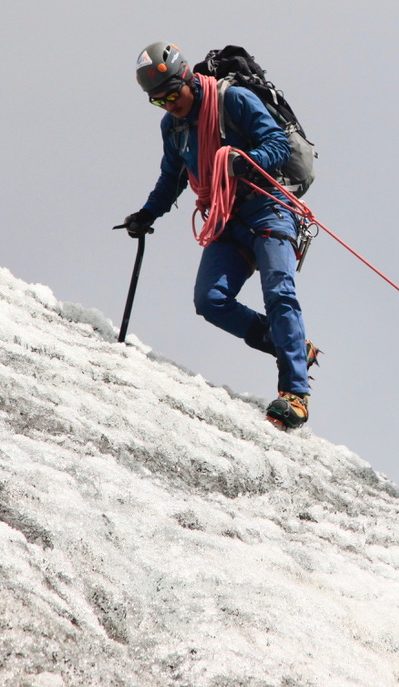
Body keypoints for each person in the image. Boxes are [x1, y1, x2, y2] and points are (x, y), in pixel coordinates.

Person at [121, 42, 316, 429]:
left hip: (269, 205)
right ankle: (289, 344)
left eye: (173, 94)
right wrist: (147, 214)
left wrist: (245, 163)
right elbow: (172, 177)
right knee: (210, 300)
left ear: (190, 79)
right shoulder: (173, 127)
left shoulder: (234, 100)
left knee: (279, 290)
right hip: (226, 218)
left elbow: (276, 143)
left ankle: (295, 394)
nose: (170, 104)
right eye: (159, 101)